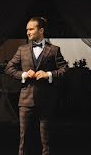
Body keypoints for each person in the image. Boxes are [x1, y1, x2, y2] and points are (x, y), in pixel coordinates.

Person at [4, 16, 68, 155]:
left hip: (46, 100)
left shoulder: (54, 50)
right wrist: (24, 74)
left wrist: (49, 74)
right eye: (27, 29)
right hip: (26, 100)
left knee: (46, 139)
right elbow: (9, 68)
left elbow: (64, 70)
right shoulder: (22, 49)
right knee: (24, 139)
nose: (28, 32)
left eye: (31, 29)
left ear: (41, 30)